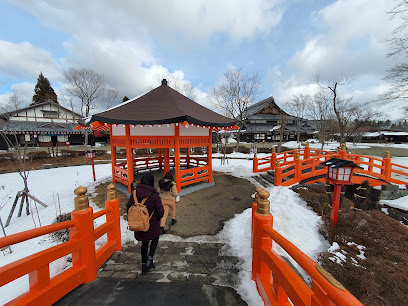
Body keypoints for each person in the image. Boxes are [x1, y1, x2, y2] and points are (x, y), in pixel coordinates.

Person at [127, 172, 164, 275]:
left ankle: (143, 265)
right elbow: (160, 212)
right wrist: (156, 218)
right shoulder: (154, 195)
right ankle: (150, 258)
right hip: (151, 224)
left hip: (139, 223)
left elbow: (129, 207)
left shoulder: (134, 193)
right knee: (155, 238)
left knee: (144, 243)